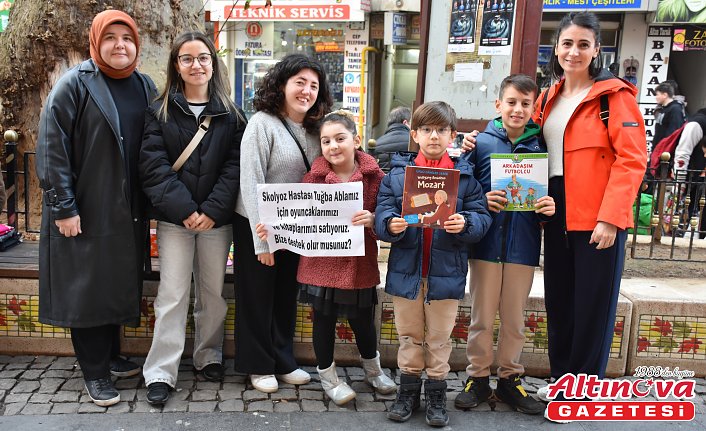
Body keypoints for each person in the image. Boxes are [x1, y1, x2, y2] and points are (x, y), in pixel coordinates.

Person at [35, 10, 157, 406]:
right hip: (85, 207)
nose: (120, 45)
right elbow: (52, 150)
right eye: (111, 37)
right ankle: (94, 371)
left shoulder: (143, 84)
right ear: (96, 41)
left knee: (112, 282)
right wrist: (64, 208)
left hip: (125, 211)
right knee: (86, 287)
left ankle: (109, 355)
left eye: (127, 37)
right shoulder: (74, 85)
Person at [531, 12, 647, 413]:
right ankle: (561, 378)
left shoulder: (615, 96)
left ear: (597, 49)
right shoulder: (548, 97)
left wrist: (612, 217)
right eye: (567, 43)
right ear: (556, 48)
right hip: (556, 208)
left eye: (583, 44)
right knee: (559, 299)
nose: (574, 51)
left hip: (598, 212)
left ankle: (582, 391)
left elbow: (632, 160)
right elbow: (528, 147)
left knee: (593, 304)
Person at [255, 110, 395, 405]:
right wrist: (272, 227)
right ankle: (329, 378)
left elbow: (388, 217)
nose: (333, 146)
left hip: (360, 266)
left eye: (340, 139)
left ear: (356, 140)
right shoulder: (313, 178)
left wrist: (372, 220)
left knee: (363, 323)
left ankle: (373, 370)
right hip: (321, 267)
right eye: (326, 140)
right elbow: (296, 215)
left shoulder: (377, 178)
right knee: (323, 323)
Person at [138, 31, 245, 406]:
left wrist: (211, 210)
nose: (196, 65)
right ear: (176, 65)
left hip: (217, 221)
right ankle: (161, 371)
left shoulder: (231, 114)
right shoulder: (159, 111)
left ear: (213, 63)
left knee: (213, 291)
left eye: (203, 57)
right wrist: (186, 210)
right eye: (187, 58)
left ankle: (208, 354)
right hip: (175, 221)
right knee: (172, 293)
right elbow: (153, 167)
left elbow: (234, 169)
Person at [376, 101, 491, 427]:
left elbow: (482, 218)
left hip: (446, 274)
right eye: (426, 129)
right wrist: (391, 224)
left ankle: (437, 393)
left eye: (441, 130)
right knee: (410, 335)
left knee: (439, 337)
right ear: (414, 134)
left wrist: (464, 222)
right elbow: (382, 212)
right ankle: (408, 390)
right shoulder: (398, 177)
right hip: (406, 272)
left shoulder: (463, 178)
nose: (434, 136)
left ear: (452, 135)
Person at [455, 74, 555, 415]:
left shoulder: (542, 145)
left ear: (534, 108)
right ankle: (478, 377)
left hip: (523, 248)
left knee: (514, 319)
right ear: (498, 104)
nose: (518, 109)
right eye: (511, 102)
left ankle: (511, 379)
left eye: (526, 104)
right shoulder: (480, 143)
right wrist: (483, 198)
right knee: (481, 317)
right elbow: (463, 192)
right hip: (485, 246)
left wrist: (548, 208)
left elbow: (551, 196)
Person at [234, 54, 333, 394]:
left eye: (313, 86)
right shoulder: (262, 123)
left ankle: (283, 357)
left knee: (286, 295)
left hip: (297, 226)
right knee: (256, 295)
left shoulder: (317, 128)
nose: (306, 91)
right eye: (300, 83)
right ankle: (258, 364)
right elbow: (251, 181)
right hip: (259, 225)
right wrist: (261, 241)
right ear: (282, 85)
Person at [673, 107, 706, 238]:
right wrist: (679, 179)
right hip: (693, 178)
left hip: (698, 177)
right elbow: (683, 152)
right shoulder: (697, 124)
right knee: (689, 209)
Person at [373, 106, 412, 173]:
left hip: (383, 182)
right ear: (405, 123)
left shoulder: (376, 144)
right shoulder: (413, 143)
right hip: (406, 182)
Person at [652, 82, 687, 152]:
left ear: (665, 95)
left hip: (666, 151)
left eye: (657, 94)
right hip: (658, 148)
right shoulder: (663, 108)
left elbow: (673, 133)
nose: (656, 97)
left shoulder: (675, 109)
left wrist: (665, 150)